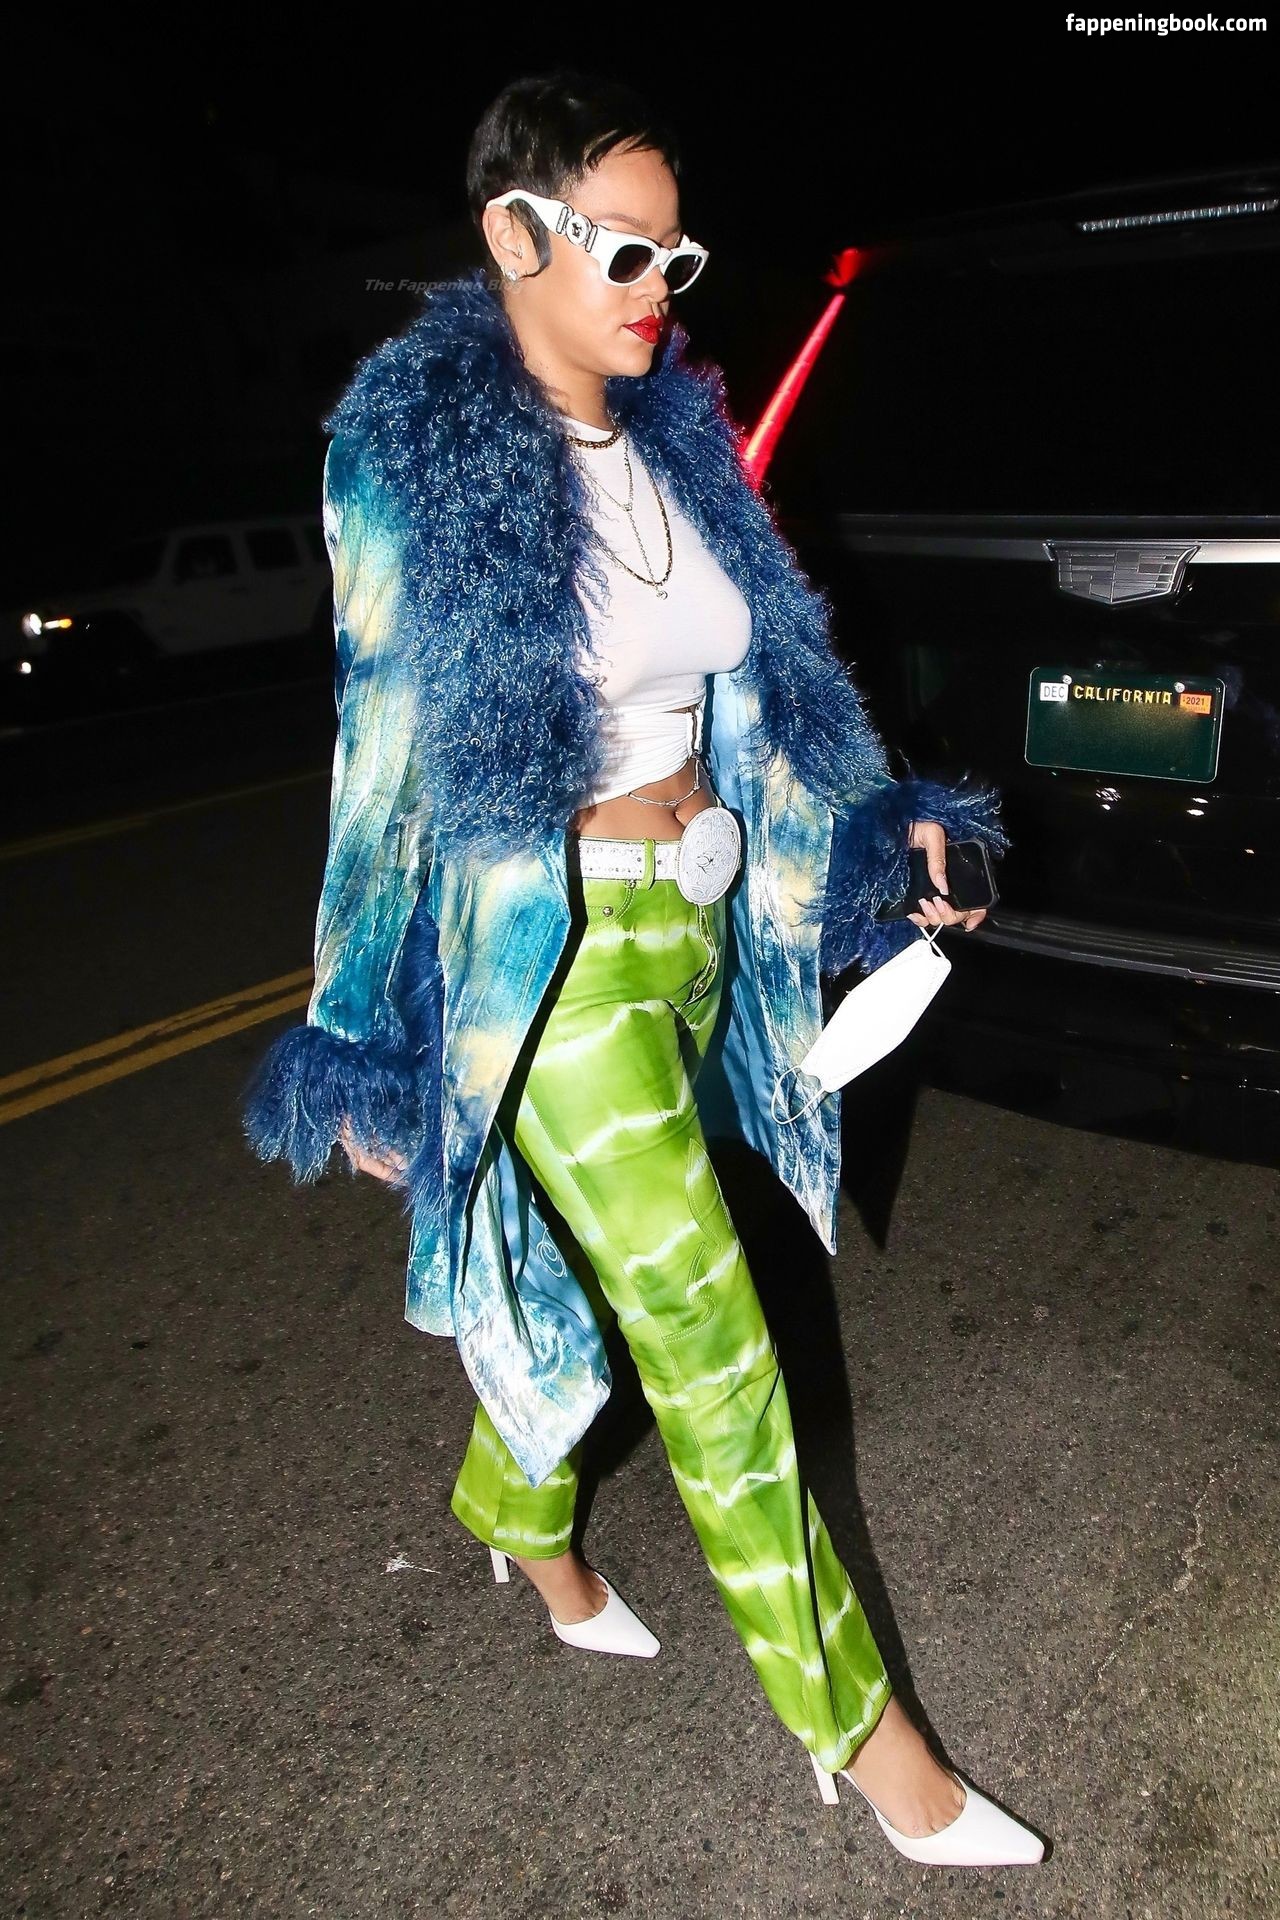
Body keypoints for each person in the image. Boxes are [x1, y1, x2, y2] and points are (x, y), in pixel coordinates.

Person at [241, 70, 1045, 1870]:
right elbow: (378, 762)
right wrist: (355, 1033)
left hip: (701, 928)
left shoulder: (680, 437)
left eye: (674, 256)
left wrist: (886, 829)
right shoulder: (414, 457)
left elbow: (774, 693)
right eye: (622, 249)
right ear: (511, 234)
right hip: (556, 964)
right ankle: (874, 1747)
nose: (657, 288)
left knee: (620, 1293)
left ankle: (513, 1508)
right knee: (712, 1335)